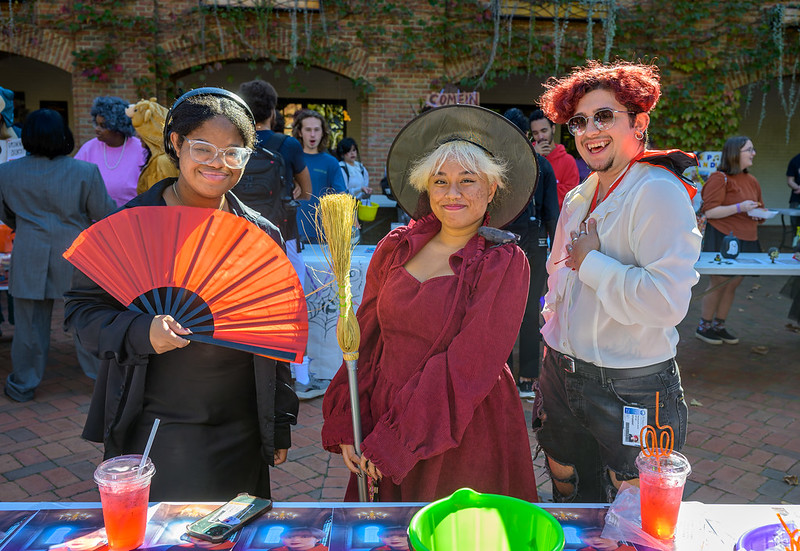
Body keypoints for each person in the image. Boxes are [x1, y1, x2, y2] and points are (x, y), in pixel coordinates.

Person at [64, 87, 299, 501]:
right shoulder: (132, 225)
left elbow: (276, 333)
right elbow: (82, 313)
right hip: (156, 422)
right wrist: (140, 331)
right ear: (176, 144)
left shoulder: (261, 234)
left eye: (233, 153)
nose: (218, 163)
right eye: (203, 148)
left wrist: (278, 421)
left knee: (233, 535)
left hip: (240, 424)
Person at [321, 105, 539, 503]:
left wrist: (396, 441)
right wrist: (350, 420)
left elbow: (468, 363)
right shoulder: (394, 248)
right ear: (427, 187)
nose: (452, 193)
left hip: (462, 428)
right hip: (385, 417)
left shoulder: (501, 262)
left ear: (491, 189)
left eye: (467, 180)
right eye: (440, 181)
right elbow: (366, 342)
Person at [533, 61, 702, 503]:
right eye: (579, 121)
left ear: (639, 122)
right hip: (562, 370)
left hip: (632, 384)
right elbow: (557, 275)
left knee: (633, 505)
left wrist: (591, 262)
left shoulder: (657, 192)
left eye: (604, 116)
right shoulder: (579, 195)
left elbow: (666, 303)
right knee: (566, 483)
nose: (590, 130)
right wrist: (551, 328)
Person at [0, 109, 116, 402]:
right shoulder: (85, 171)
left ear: (27, 137)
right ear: (63, 135)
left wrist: (27, 228)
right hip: (75, 253)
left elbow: (6, 215)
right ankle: (99, 379)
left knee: (27, 326)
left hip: (28, 252)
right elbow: (104, 214)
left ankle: (23, 383)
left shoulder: (7, 173)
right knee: (84, 319)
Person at [502, 107, 559, 398]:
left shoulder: (501, 166)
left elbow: (552, 214)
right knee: (520, 311)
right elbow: (553, 215)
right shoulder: (537, 165)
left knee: (512, 310)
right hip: (524, 246)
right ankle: (521, 377)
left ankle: (512, 376)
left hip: (511, 247)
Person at [238, 79, 312, 280]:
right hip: (283, 234)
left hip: (239, 237)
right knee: (290, 300)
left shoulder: (234, 144)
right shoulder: (288, 144)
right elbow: (306, 192)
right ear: (272, 111)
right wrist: (292, 184)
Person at [695, 136, 764, 345]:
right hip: (723, 238)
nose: (753, 153)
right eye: (749, 150)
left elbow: (758, 207)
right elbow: (711, 212)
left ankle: (720, 325)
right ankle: (704, 326)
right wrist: (739, 208)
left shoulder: (752, 180)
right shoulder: (719, 178)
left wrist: (760, 213)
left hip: (748, 238)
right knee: (718, 282)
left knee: (732, 284)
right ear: (735, 153)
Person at [74, 96, 148, 207]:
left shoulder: (141, 149)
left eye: (103, 126)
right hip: (97, 219)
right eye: (97, 124)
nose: (97, 129)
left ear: (118, 128)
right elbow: (74, 181)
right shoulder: (89, 148)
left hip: (131, 216)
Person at [291, 109, 346, 245]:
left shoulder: (331, 162)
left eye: (317, 129)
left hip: (323, 234)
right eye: (308, 129)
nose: (313, 134)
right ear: (299, 132)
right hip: (292, 232)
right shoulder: (290, 160)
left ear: (323, 132)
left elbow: (342, 195)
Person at [529, 108, 580, 208]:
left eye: (544, 131)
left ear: (553, 129)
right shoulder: (527, 155)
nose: (540, 136)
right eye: (535, 133)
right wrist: (534, 157)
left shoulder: (568, 161)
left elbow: (571, 196)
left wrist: (539, 189)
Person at [786, 151, 800, 243]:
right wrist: (798, 187)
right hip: (796, 200)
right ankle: (796, 248)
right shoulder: (795, 160)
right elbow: (790, 180)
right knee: (796, 226)